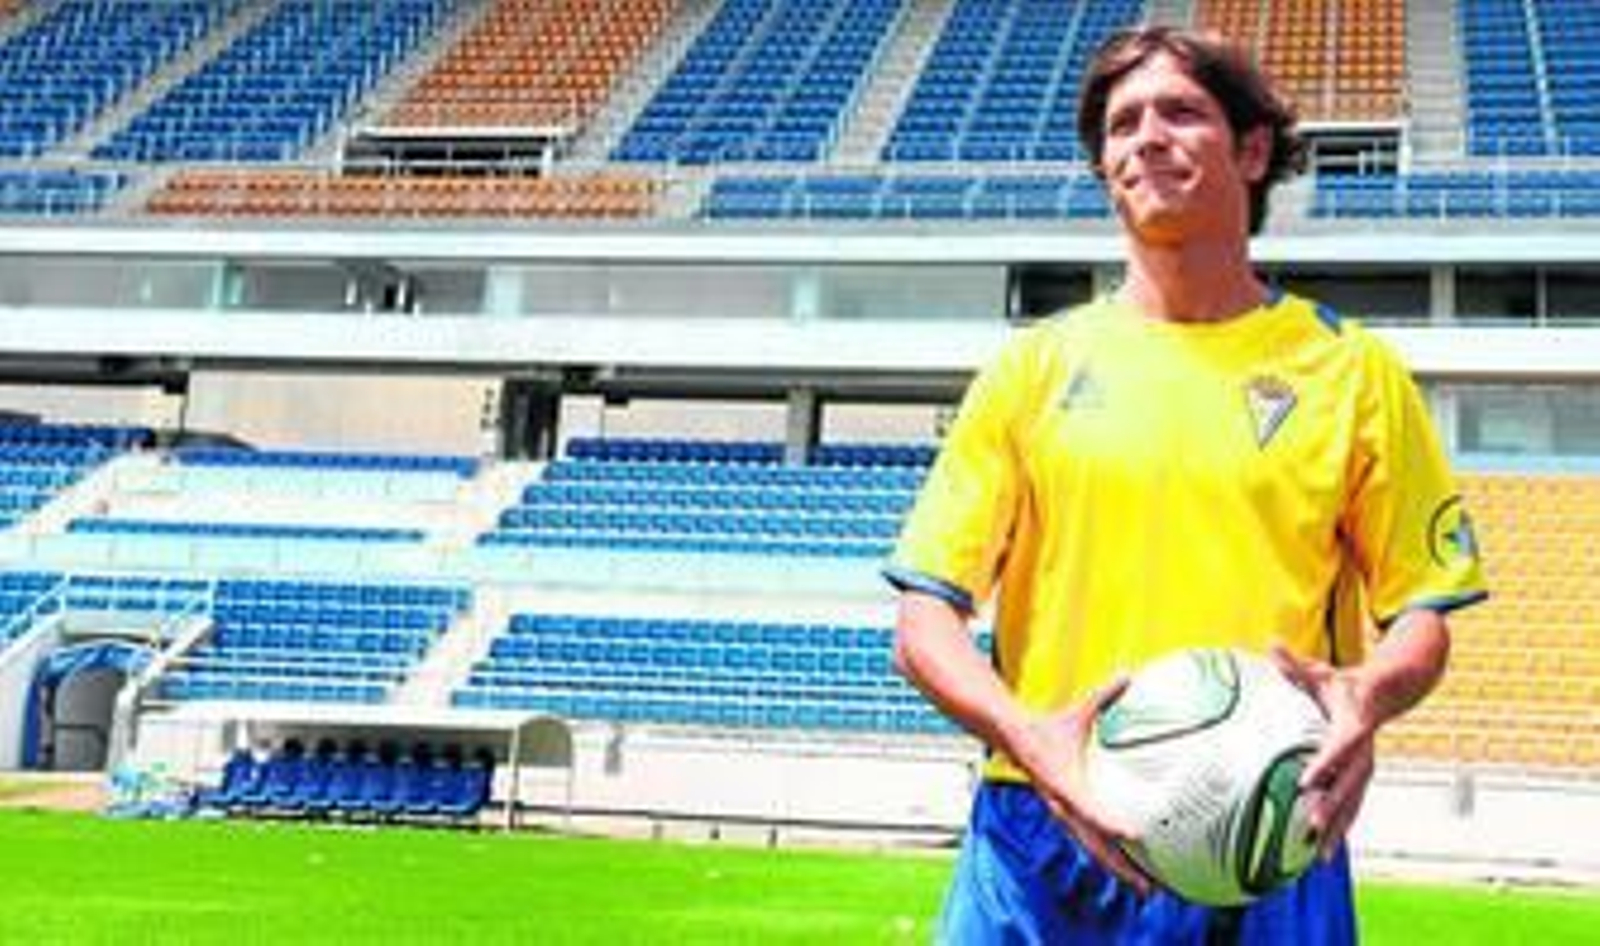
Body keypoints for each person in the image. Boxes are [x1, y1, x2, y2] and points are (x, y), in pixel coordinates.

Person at [885, 24, 1487, 944]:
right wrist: (1031, 738)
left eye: (1179, 112)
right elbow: (923, 622)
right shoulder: (1030, 370)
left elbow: (1423, 616)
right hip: (1042, 829)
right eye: (1122, 124)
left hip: (1265, 828)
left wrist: (1368, 695)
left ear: (1253, 151)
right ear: (1103, 167)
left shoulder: (1353, 371)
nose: (1146, 138)